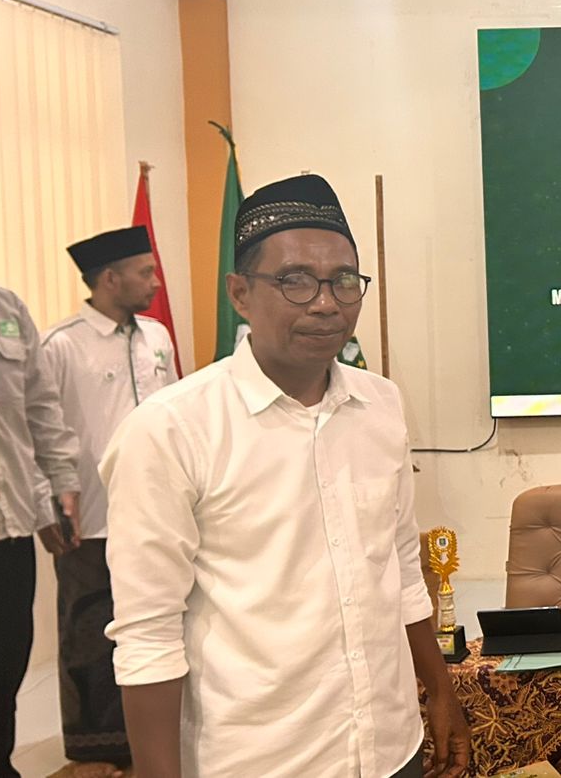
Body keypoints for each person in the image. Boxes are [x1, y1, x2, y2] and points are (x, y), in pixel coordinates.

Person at [102, 174, 470, 778]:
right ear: (240, 293)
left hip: (390, 746)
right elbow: (148, 634)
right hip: (260, 760)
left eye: (344, 280)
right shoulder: (171, 430)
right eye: (295, 280)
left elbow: (401, 564)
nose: (326, 303)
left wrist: (440, 690)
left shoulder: (380, 405)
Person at [41, 225, 179, 776]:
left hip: (160, 513)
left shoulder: (157, 337)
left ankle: (160, 738)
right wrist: (53, 500)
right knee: (88, 628)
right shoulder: (61, 345)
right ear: (109, 278)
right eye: (145, 272)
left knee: (160, 623)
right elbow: (42, 428)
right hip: (91, 517)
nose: (155, 281)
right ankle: (93, 749)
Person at [0, 282, 82, 778]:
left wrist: (58, 489)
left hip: (8, 525)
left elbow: (39, 406)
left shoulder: (3, 307)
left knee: (3, 667)